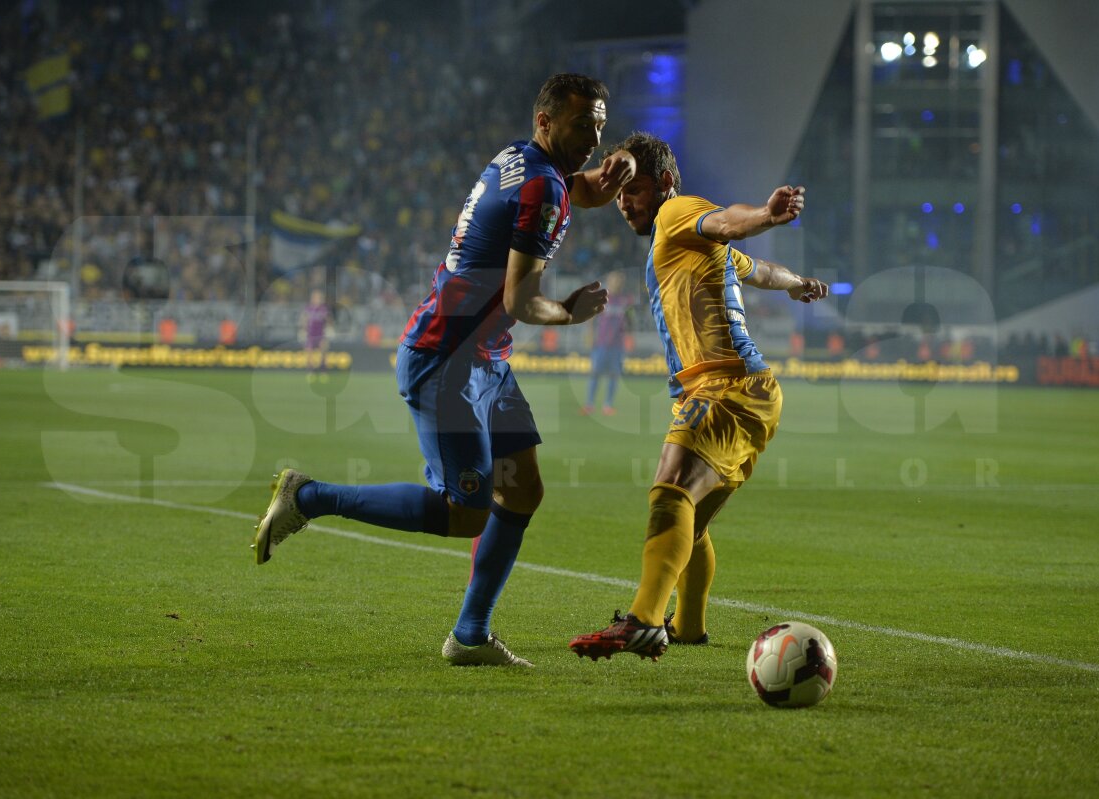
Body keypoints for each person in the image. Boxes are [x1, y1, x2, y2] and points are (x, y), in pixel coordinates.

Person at [253, 74, 637, 667]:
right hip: (449, 362)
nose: (593, 136)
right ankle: (311, 497)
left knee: (524, 489)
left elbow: (570, 188)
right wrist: (568, 312)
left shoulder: (523, 162)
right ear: (546, 122)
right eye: (583, 123)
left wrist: (605, 183)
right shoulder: (543, 185)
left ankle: (470, 637)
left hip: (485, 361)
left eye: (600, 126)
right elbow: (519, 300)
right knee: (466, 514)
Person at [568, 131, 828, 661]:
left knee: (671, 491)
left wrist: (765, 216)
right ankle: (687, 627)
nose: (624, 202)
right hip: (746, 390)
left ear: (663, 182)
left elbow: (727, 220)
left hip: (726, 385)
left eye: (632, 189)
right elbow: (757, 268)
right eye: (617, 194)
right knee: (695, 521)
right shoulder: (694, 247)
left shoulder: (677, 213)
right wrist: (797, 281)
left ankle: (643, 621)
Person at [581, 270, 634, 416]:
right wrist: (590, 334)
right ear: (609, 281)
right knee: (595, 373)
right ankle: (589, 404)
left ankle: (608, 405)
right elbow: (591, 317)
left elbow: (630, 320)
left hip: (618, 344)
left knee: (613, 375)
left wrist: (629, 334)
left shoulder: (626, 299)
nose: (616, 283)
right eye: (613, 280)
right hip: (601, 342)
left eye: (618, 281)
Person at [302, 288, 330, 383]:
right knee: (309, 354)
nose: (316, 299)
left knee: (323, 353)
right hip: (310, 335)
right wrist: (303, 329)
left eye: (318, 297)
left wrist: (328, 323)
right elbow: (304, 320)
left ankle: (323, 372)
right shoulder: (308, 309)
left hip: (320, 335)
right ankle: (310, 372)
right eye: (314, 297)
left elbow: (329, 321)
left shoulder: (323, 309)